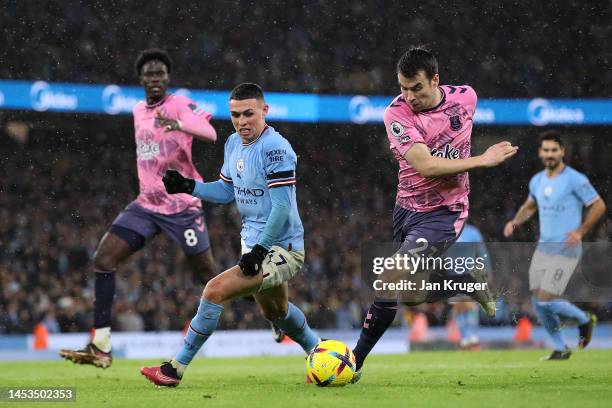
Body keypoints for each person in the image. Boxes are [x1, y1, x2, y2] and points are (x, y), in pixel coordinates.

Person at [351, 46, 518, 382]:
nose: (409, 96)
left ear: (435, 80)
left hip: (445, 211)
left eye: (417, 88)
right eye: (403, 88)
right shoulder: (395, 115)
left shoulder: (467, 98)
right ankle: (466, 284)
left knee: (388, 277)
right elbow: (426, 166)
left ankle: (352, 362)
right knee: (411, 296)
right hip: (406, 209)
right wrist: (481, 160)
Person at [140, 83, 319, 387]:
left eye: (249, 113)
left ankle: (174, 369)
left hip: (282, 249)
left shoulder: (276, 148)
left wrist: (260, 251)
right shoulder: (234, 143)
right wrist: (188, 186)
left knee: (214, 290)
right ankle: (321, 351)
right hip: (255, 244)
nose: (242, 121)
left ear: (265, 111)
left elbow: (281, 208)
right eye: (235, 114)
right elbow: (225, 192)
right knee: (276, 311)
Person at [59, 49, 217, 368]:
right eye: (150, 74)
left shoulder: (180, 104)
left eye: (161, 74)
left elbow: (211, 133)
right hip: (146, 205)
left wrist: (178, 124)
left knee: (209, 277)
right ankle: (101, 346)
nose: (156, 79)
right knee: (103, 259)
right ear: (141, 79)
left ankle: (271, 312)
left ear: (167, 78)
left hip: (182, 207)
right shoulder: (136, 110)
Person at [504, 130, 604, 360]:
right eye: (546, 150)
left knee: (546, 299)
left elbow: (598, 205)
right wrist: (515, 221)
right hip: (543, 247)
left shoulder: (575, 179)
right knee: (538, 302)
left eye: (554, 150)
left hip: (566, 247)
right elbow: (530, 206)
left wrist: (580, 231)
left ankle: (584, 319)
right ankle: (560, 347)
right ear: (540, 152)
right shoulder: (537, 180)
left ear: (562, 152)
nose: (550, 154)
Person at [444, 223, 492, 350]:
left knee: (470, 305)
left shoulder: (473, 232)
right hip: (452, 275)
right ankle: (465, 338)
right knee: (458, 307)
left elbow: (482, 253)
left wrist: (487, 271)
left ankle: (473, 337)